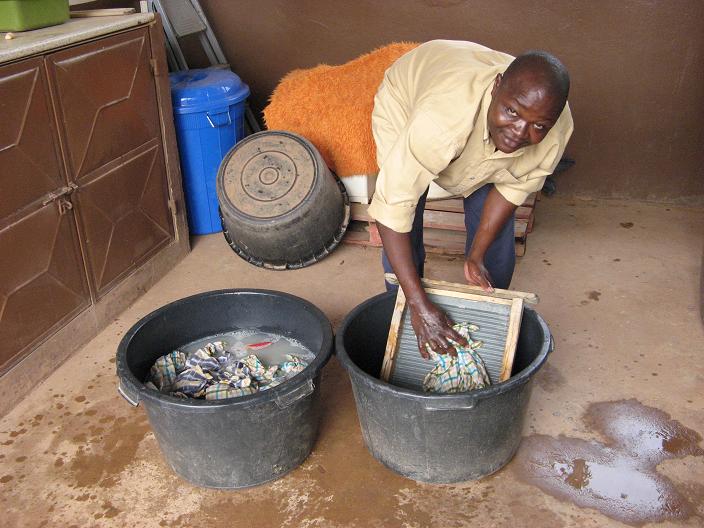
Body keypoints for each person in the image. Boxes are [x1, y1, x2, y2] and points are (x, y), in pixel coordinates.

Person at [368, 40, 573, 358]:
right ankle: (411, 315)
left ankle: (483, 317)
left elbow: (510, 191)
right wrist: (419, 302)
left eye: (538, 126)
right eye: (512, 111)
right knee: (407, 212)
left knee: (493, 247)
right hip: (408, 100)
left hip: (471, 117)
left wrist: (475, 256)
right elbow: (394, 208)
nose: (520, 132)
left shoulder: (555, 130)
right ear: (497, 87)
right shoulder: (441, 119)